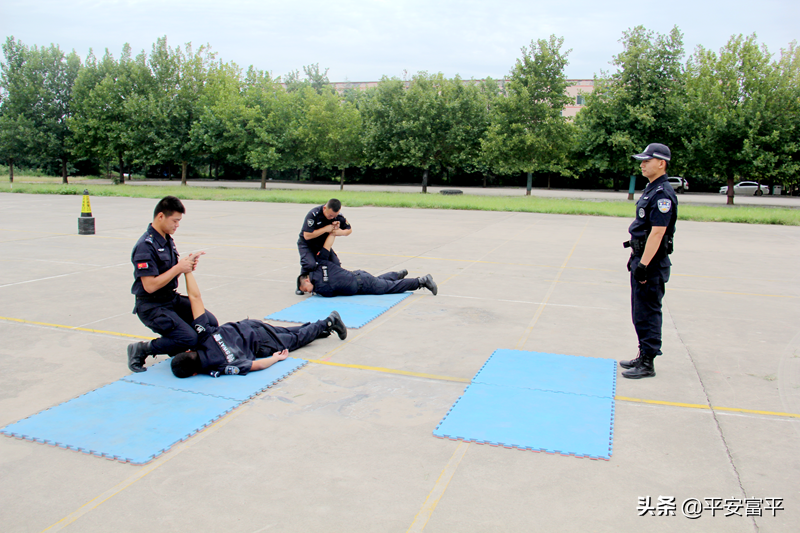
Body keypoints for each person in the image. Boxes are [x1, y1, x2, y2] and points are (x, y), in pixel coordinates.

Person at [171, 271, 347, 378]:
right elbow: (195, 298)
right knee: (286, 331)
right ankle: (321, 330)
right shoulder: (202, 336)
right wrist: (188, 271)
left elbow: (257, 365)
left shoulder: (220, 366)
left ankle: (329, 321)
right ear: (189, 351)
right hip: (249, 325)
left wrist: (275, 358)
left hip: (261, 343)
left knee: (295, 339)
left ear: (194, 373)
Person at [127, 196, 217, 373]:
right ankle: (142, 349)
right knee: (189, 338)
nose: (177, 225)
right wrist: (179, 268)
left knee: (210, 322)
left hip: (170, 299)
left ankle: (175, 345)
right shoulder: (145, 246)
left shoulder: (166, 239)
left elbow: (170, 270)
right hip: (152, 305)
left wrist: (186, 265)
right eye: (175, 221)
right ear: (161, 216)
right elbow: (150, 286)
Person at [619, 143, 678, 379]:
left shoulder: (662, 194)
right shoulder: (651, 189)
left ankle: (648, 362)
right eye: (641, 161)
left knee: (648, 311)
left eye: (647, 160)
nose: (642, 164)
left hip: (651, 263)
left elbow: (657, 232)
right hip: (641, 257)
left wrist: (643, 265)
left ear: (661, 163)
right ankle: (642, 353)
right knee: (639, 311)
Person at [297, 232, 438, 297]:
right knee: (380, 281)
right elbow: (327, 246)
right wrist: (333, 232)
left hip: (363, 284)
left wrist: (334, 231)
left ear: (307, 280)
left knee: (389, 288)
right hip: (360, 276)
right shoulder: (321, 264)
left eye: (305, 289)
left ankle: (421, 281)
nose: (308, 291)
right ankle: (396, 274)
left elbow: (328, 292)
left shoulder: (320, 288)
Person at [296, 198, 352, 294]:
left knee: (336, 264)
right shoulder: (313, 214)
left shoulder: (337, 216)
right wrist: (325, 229)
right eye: (330, 215)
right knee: (310, 264)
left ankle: (329, 283)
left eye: (334, 216)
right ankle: (301, 286)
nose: (332, 217)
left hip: (322, 245)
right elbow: (307, 235)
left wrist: (338, 231)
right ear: (325, 208)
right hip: (307, 244)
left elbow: (349, 230)